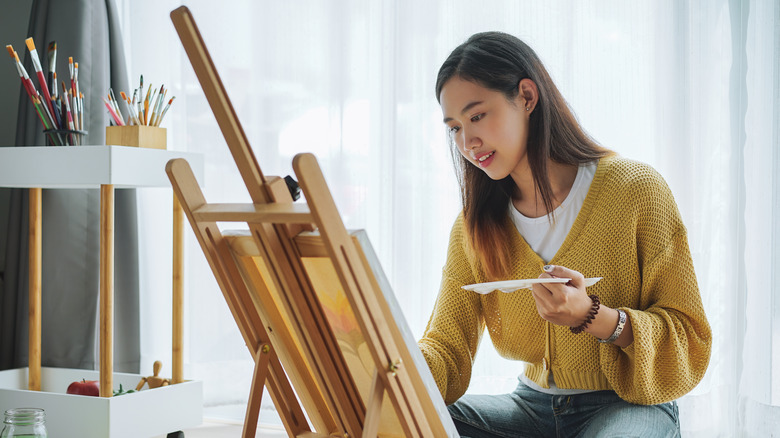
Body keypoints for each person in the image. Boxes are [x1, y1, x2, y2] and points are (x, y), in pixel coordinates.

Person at [417, 31, 712, 437]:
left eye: (477, 116)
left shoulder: (636, 190)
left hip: (627, 406)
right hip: (529, 409)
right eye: (454, 128)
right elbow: (446, 350)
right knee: (411, 423)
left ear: (526, 96)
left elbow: (688, 337)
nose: (467, 142)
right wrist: (386, 361)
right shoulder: (475, 226)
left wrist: (594, 317)